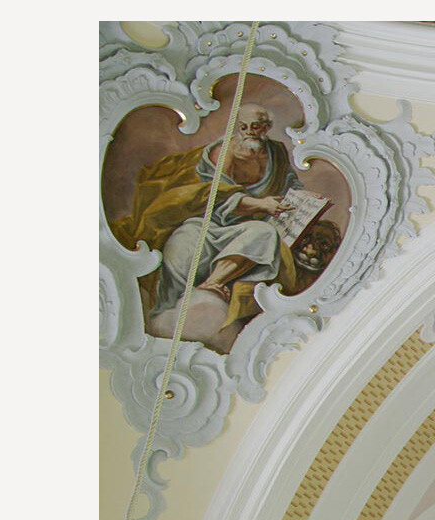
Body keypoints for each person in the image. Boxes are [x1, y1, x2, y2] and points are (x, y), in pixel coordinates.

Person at [112, 103, 305, 341]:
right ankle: (165, 311)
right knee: (183, 243)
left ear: (266, 127)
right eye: (242, 126)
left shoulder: (276, 153)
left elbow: (289, 183)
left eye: (255, 127)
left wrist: (302, 198)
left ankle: (213, 283)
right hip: (206, 220)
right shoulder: (225, 151)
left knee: (264, 233)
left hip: (245, 226)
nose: (248, 132)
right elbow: (215, 194)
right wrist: (261, 204)